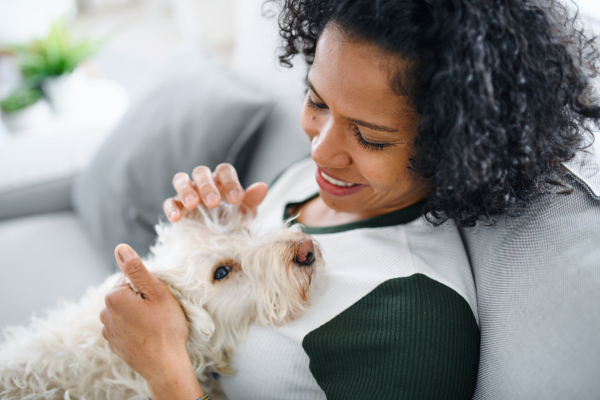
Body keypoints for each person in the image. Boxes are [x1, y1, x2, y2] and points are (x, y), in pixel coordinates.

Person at [99, 0, 599, 399]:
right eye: (317, 101)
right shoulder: (311, 181)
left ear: (457, 148)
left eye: (371, 138)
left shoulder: (410, 318)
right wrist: (207, 243)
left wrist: (166, 371)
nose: (320, 150)